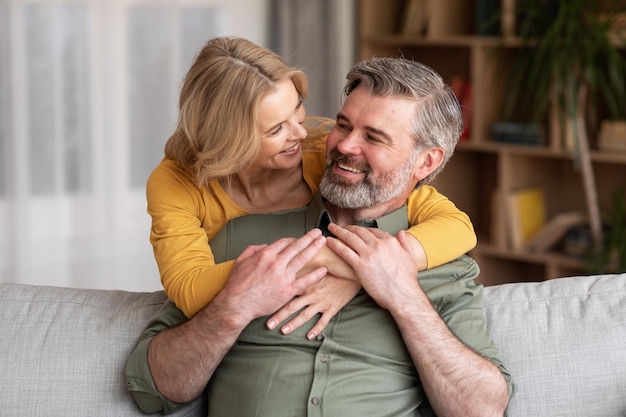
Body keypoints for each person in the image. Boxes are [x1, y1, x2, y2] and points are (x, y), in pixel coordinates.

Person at [126, 54, 513, 416]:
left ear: (426, 161)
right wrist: (235, 308)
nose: (344, 144)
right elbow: (152, 387)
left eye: (374, 138)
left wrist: (402, 295)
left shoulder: (440, 258)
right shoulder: (241, 239)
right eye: (343, 124)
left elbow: (483, 407)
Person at [147, 37, 476, 340]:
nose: (300, 134)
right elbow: (190, 292)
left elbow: (457, 228)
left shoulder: (327, 147)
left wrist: (354, 276)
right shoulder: (177, 182)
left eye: (297, 110)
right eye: (277, 129)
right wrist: (317, 261)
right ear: (227, 140)